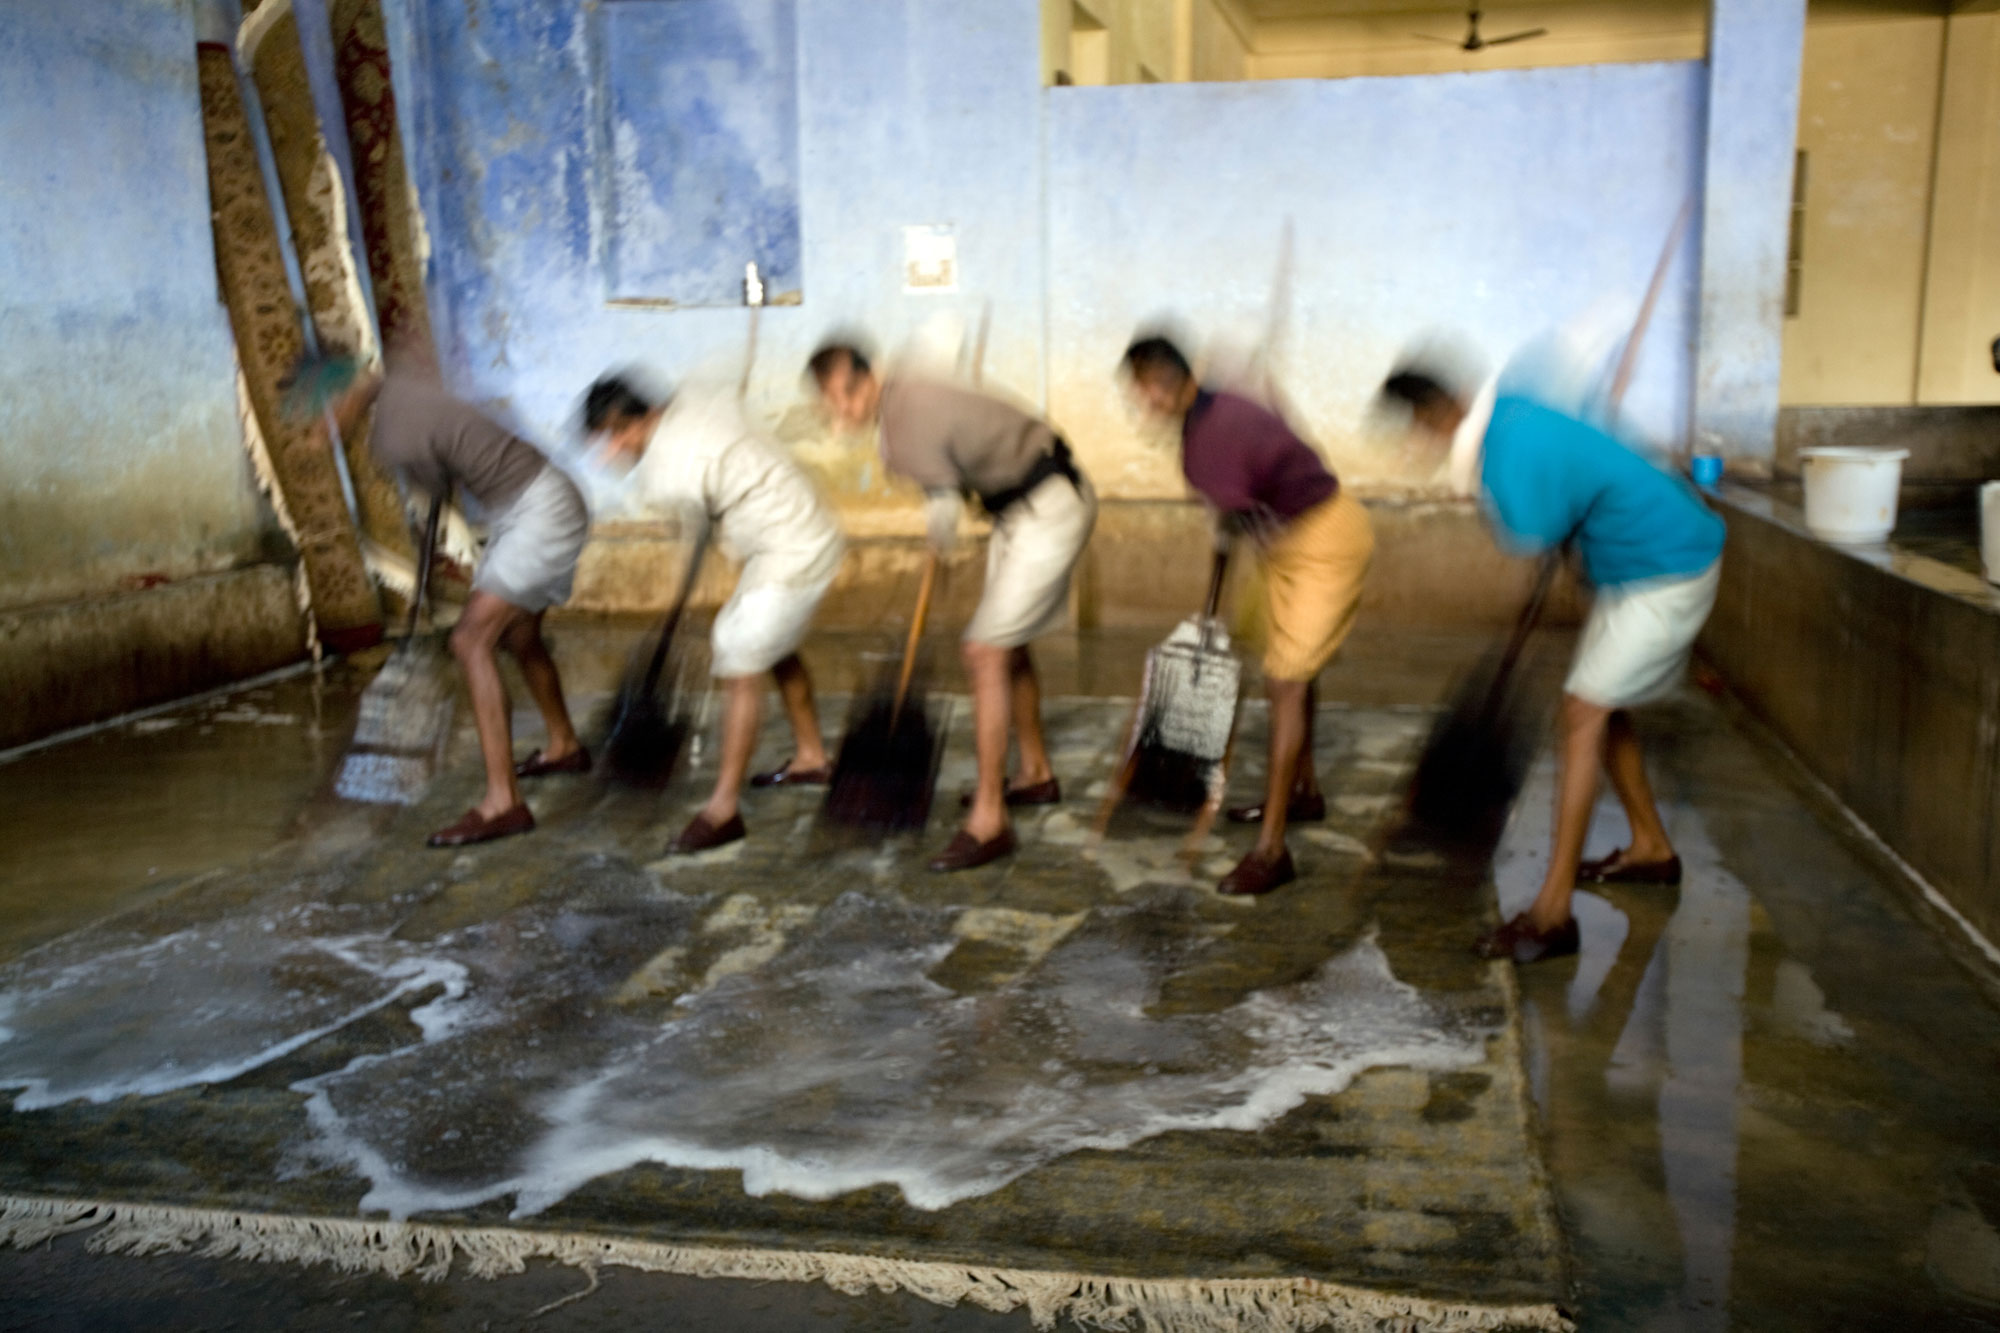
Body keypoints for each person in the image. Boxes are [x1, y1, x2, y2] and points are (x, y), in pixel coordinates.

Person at [1380, 360, 1725, 964]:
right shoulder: (1517, 399)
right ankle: (1650, 846)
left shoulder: (1505, 447)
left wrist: (1509, 486)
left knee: (1581, 712)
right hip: (1638, 565)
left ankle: (1553, 912)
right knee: (1605, 707)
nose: (1417, 443)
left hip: (1666, 566)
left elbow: (1527, 533)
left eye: (1415, 428)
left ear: (1436, 414)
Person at [809, 342, 1097, 872]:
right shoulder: (905, 397)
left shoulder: (906, 417)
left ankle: (990, 821)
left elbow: (942, 502)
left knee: (984, 651)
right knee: (1006, 649)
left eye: (847, 394)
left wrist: (938, 531)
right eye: (830, 401)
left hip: (1050, 507)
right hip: (1019, 510)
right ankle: (1035, 773)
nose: (842, 410)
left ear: (869, 377)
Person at [290, 354, 592, 847]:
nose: (321, 435)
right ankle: (564, 746)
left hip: (538, 512)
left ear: (340, 400)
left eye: (319, 421)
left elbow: (432, 486)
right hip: (548, 498)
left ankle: (503, 804)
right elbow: (443, 474)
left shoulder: (392, 427)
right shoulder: (402, 393)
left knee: (471, 640)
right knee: (519, 636)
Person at [1122, 336, 1374, 897]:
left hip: (1325, 542)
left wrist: (1224, 512)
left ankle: (1272, 849)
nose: (1143, 407)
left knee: (1285, 679)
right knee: (1288, 668)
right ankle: (1303, 787)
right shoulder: (1215, 414)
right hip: (1278, 546)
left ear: (1167, 383)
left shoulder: (1216, 434)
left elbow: (1233, 492)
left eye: (1143, 394)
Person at [585, 374, 845, 854]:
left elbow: (697, 530)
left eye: (609, 440)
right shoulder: (691, 396)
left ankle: (723, 809)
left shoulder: (667, 468)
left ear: (630, 425)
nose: (607, 455)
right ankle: (811, 757)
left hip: (795, 545)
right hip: (789, 529)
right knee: (771, 642)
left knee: (737, 654)